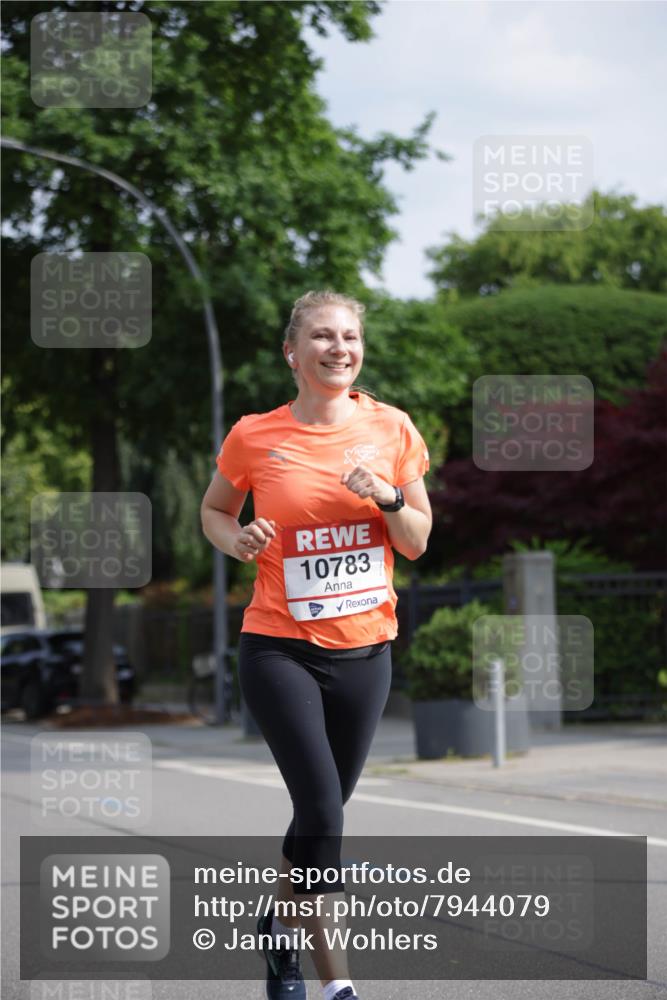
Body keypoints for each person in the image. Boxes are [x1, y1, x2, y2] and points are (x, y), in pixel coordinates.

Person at [201, 290, 432, 1000]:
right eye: (324, 337)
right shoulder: (254, 436)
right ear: (292, 353)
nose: (340, 347)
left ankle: (276, 925)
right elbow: (213, 509)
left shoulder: (391, 428)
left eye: (350, 336)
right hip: (280, 648)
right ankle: (337, 988)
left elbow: (417, 541)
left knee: (314, 815)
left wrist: (387, 498)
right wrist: (235, 538)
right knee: (325, 814)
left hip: (367, 652)